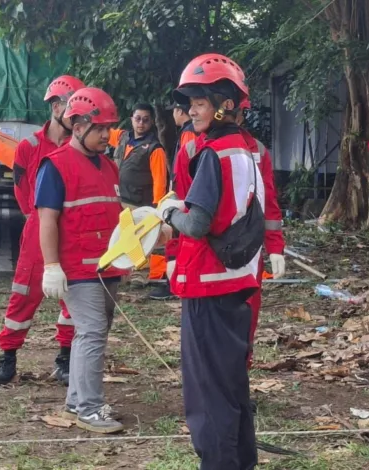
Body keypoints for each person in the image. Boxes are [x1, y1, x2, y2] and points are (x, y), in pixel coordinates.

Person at [158, 53, 262, 469]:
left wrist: (168, 212)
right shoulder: (247, 150)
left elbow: (197, 223)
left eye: (200, 101)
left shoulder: (213, 154)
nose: (192, 110)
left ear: (226, 104)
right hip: (239, 280)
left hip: (208, 283)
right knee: (232, 383)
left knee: (208, 393)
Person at [35, 87, 128, 433]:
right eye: (99, 128)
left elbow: (115, 215)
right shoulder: (56, 166)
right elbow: (46, 219)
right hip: (78, 268)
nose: (107, 135)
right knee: (91, 332)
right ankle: (89, 408)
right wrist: (51, 266)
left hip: (108, 268)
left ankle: (77, 399)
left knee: (91, 334)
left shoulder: (108, 166)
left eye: (109, 127)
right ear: (77, 126)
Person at [0, 75, 85, 387]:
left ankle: (66, 359)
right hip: (36, 232)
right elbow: (22, 190)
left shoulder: (80, 148)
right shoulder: (29, 147)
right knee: (23, 295)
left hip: (72, 234)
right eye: (73, 109)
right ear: (56, 107)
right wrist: (41, 222)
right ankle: (8, 359)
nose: (77, 118)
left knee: (72, 298)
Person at [236, 97, 286, 368]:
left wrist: (275, 247)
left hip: (249, 249)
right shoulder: (195, 147)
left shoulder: (257, 151)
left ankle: (240, 376)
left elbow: (270, 202)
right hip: (210, 250)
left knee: (248, 315)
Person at [149, 102, 198, 301]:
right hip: (186, 195)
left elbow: (186, 168)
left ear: (179, 112)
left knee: (177, 240)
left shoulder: (188, 133)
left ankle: (175, 283)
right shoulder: (189, 131)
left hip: (185, 196)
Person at [109, 103, 168, 209]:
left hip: (138, 206)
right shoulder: (122, 137)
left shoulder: (154, 148)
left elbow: (160, 182)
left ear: (151, 122)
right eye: (138, 119)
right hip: (118, 200)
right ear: (131, 119)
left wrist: (157, 208)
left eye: (145, 120)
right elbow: (101, 134)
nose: (141, 123)